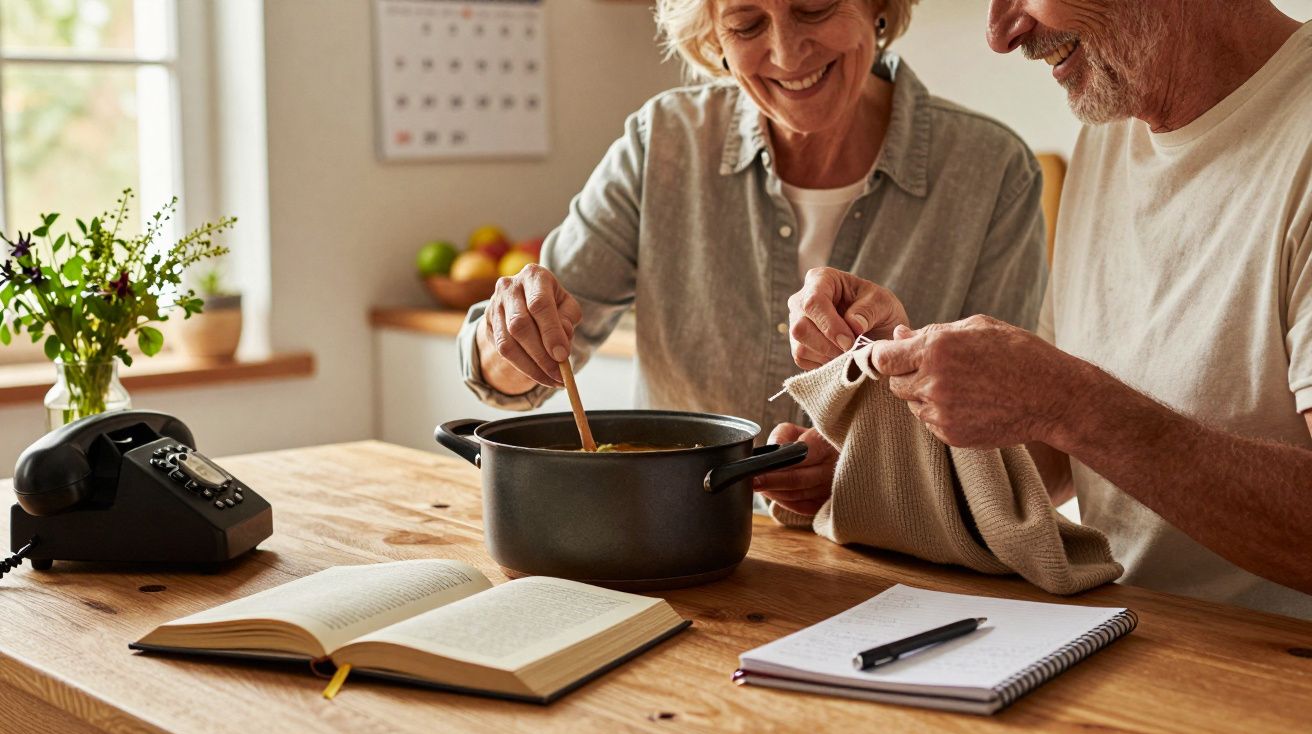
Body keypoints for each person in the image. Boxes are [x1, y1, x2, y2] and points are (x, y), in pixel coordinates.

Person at [791, 0, 1312, 617]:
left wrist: (1070, 403)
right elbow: (1061, 459)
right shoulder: (1111, 124)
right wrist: (885, 448)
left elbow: (1076, 416)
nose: (1001, 33)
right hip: (1124, 640)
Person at [458, 0, 1048, 514]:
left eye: (815, 8)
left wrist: (864, 467)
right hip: (671, 543)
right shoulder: (662, 142)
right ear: (713, 37)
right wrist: (508, 337)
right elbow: (511, 373)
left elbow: (1011, 451)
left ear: (878, 5)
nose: (788, 53)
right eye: (745, 25)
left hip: (895, 573)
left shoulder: (992, 169)